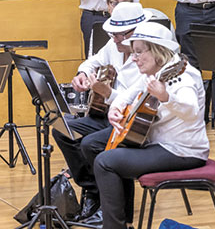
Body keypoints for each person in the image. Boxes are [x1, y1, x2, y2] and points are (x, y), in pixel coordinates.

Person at [80, 22, 208, 229]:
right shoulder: (157, 70)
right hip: (156, 141)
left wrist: (166, 96)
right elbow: (130, 93)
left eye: (139, 52)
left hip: (182, 151)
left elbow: (191, 110)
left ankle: (115, 226)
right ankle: (125, 221)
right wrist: (117, 106)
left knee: (105, 162)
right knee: (92, 145)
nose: (133, 58)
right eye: (133, 52)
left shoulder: (182, 76)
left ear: (158, 51)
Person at [54, 1, 152, 224]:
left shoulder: (149, 55)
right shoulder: (114, 45)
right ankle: (93, 191)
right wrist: (82, 73)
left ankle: (113, 209)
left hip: (132, 124)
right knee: (62, 128)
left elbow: (137, 106)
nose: (114, 39)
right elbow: (94, 61)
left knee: (91, 144)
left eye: (119, 35)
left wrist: (107, 93)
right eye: (113, 34)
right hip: (111, 118)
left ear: (136, 31)